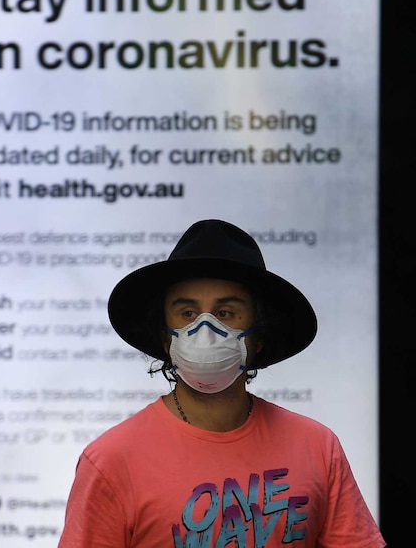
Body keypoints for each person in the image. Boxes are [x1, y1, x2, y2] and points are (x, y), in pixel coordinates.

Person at [58, 219, 385, 548]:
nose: (205, 328)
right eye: (187, 313)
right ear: (164, 336)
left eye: (226, 312)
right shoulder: (112, 462)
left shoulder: (317, 448)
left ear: (258, 335)